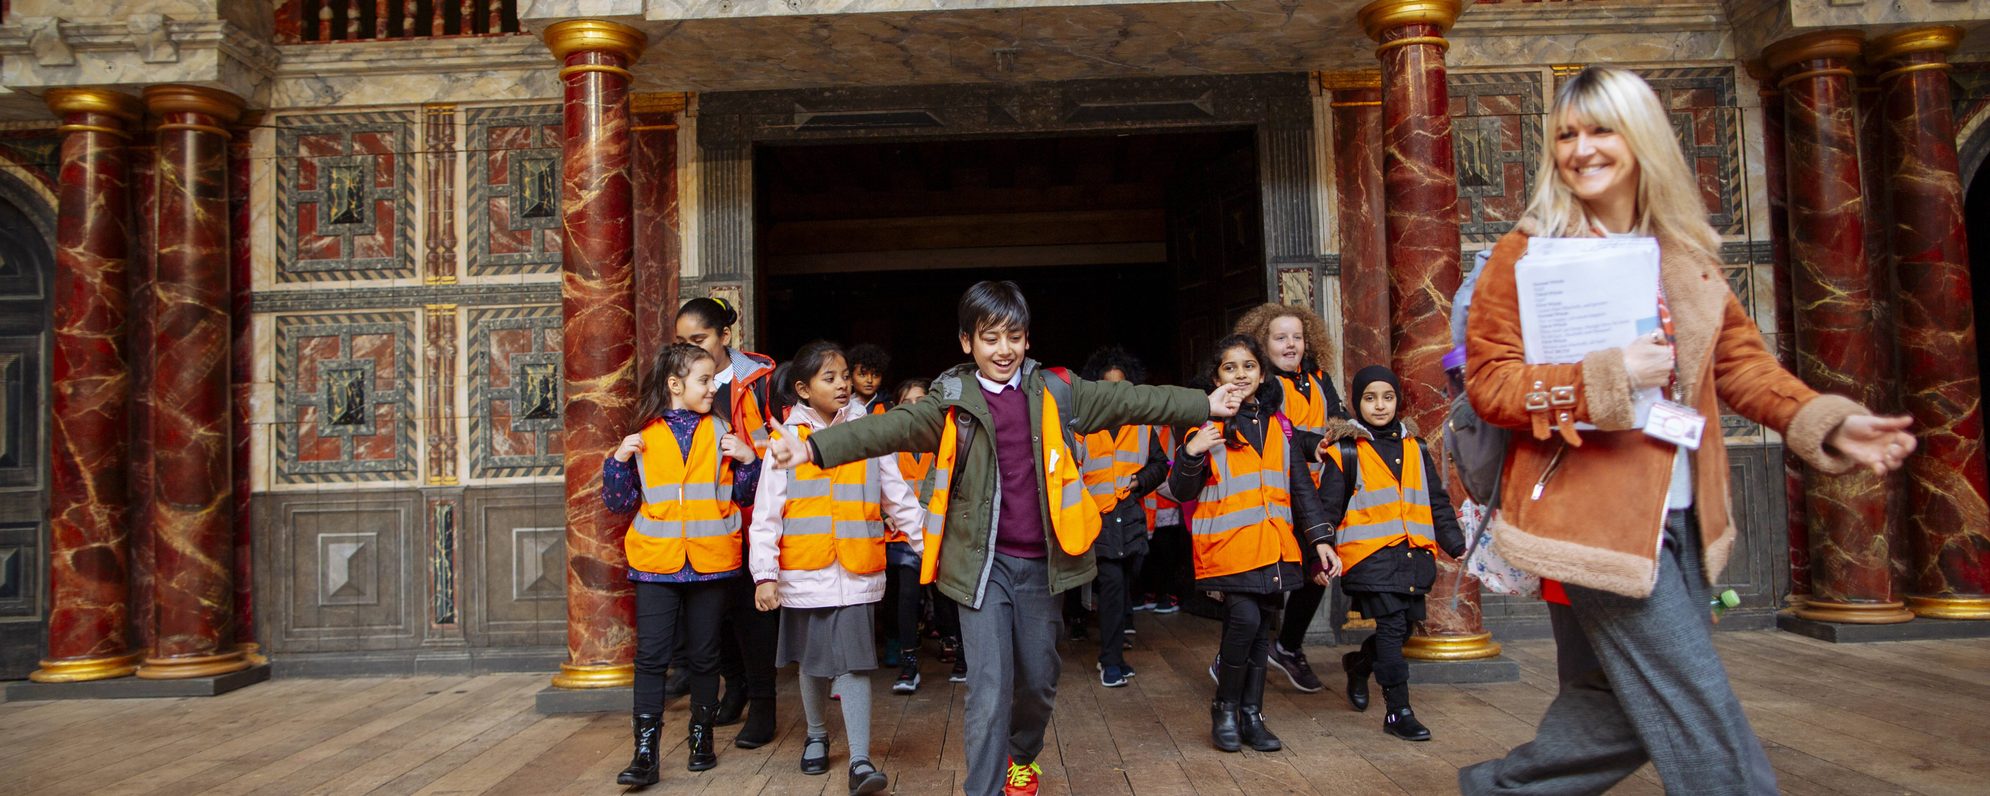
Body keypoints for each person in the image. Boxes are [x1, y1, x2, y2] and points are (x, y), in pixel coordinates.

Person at [1457, 66, 1916, 795]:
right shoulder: (1527, 252)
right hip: (1593, 516)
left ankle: (1502, 790)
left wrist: (1822, 419)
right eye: (1566, 134)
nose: (1581, 149)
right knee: (1696, 703)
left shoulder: (1683, 251)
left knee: (1617, 702)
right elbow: (1490, 384)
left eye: (1601, 129)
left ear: (1641, 139)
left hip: (1684, 512)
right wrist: (1606, 375)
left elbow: (1740, 365)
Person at [763, 280, 1244, 796]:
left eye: (1013, 336)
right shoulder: (950, 399)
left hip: (1042, 565)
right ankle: (983, 789)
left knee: (1038, 681)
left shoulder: (1056, 391)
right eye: (990, 338)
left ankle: (1022, 756)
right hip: (980, 566)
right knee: (988, 689)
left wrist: (1203, 402)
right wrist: (814, 449)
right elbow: (889, 429)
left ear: (1027, 339)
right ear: (968, 343)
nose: (1004, 349)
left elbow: (1128, 399)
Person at [749, 341, 923, 795]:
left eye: (845, 375)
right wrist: (765, 575)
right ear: (804, 390)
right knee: (811, 661)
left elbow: (898, 497)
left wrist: (931, 549)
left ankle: (862, 761)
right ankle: (816, 735)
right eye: (831, 378)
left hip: (858, 571)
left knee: (854, 665)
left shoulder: (871, 432)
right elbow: (766, 514)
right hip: (804, 573)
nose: (844, 384)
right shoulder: (784, 441)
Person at [1168, 334, 1340, 753]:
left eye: (1248, 366)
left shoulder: (1280, 425)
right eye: (1230, 367)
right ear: (1215, 377)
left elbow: (1301, 488)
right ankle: (1225, 709)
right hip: (1228, 545)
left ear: (1262, 374)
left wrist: (1320, 540)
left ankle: (1251, 714)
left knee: (1261, 629)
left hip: (1276, 545)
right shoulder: (1206, 423)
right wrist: (1191, 451)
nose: (1240, 375)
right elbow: (1181, 489)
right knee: (1244, 621)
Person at [603, 343, 761, 783]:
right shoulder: (643, 436)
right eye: (704, 381)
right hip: (656, 562)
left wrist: (750, 462)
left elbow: (745, 496)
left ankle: (701, 740)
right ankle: (645, 753)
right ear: (676, 385)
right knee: (652, 659)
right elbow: (618, 502)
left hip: (711, 561)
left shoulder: (722, 432)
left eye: (713, 380)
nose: (713, 388)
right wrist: (617, 460)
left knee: (706, 657)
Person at [1320, 365, 1466, 741]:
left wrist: (1457, 544)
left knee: (1401, 631)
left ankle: (1358, 665)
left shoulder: (1414, 447)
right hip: (1369, 557)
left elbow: (1436, 501)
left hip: (1412, 557)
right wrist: (1317, 555)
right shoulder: (1346, 451)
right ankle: (1398, 711)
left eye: (1387, 397)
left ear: (1398, 400)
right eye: (1370, 398)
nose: (1380, 405)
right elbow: (1327, 509)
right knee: (1390, 629)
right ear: (1357, 404)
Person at [674, 297, 783, 748]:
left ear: (724, 336)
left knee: (752, 616)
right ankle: (734, 688)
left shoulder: (760, 382)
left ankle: (764, 707)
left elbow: (783, 443)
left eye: (697, 340)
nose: (688, 348)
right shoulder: (677, 383)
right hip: (703, 520)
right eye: (681, 341)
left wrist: (750, 456)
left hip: (752, 516)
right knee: (713, 617)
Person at [1233, 303, 1347, 694]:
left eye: (1297, 337)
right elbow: (1278, 432)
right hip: (1276, 494)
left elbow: (1336, 420)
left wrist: (1343, 435)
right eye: (1281, 337)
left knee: (1317, 572)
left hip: (1317, 493)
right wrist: (1314, 443)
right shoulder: (1263, 385)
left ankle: (1287, 645)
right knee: (1269, 579)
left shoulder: (1319, 378)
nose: (1291, 344)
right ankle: (1238, 655)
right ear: (1264, 343)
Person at [1076, 346, 1171, 687]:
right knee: (1114, 585)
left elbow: (1162, 465)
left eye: (1122, 385)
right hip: (1097, 518)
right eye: (1107, 385)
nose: (1115, 392)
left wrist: (1139, 481)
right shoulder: (1083, 425)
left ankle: (1113, 651)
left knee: (1126, 584)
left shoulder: (1143, 424)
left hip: (1130, 516)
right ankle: (1111, 661)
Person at [884, 377, 934, 693]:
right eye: (907, 402)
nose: (915, 408)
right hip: (899, 533)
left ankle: (957, 649)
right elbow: (875, 486)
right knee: (904, 592)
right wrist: (883, 513)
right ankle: (909, 662)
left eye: (922, 401)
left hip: (936, 531)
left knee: (946, 596)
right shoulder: (887, 443)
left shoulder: (943, 439)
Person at [848, 343, 892, 415]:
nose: (869, 380)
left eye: (875, 375)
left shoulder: (888, 408)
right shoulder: (841, 405)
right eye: (862, 375)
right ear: (850, 378)